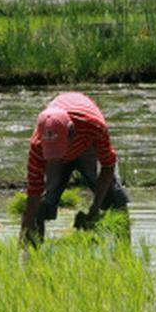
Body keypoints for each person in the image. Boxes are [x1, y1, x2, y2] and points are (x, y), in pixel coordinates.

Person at [20, 92, 129, 244]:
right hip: (66, 139)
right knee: (42, 203)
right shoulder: (38, 144)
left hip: (87, 147)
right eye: (52, 151)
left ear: (71, 132)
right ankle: (34, 249)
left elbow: (108, 165)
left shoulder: (94, 127)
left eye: (58, 149)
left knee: (114, 196)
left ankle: (124, 250)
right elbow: (34, 191)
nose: (57, 157)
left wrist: (95, 208)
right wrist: (25, 232)